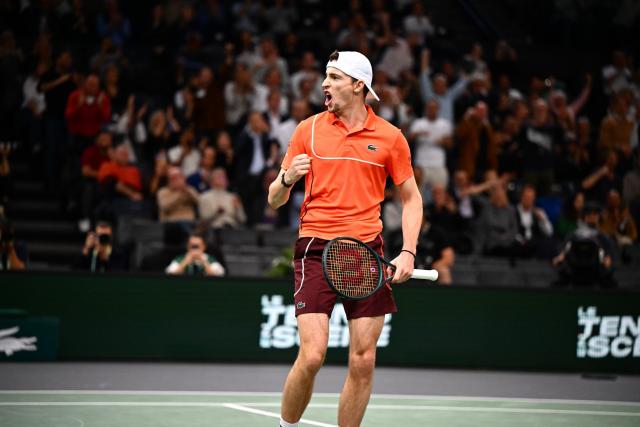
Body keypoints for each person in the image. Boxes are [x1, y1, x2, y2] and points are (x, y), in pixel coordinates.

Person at [267, 50, 422, 427]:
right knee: (313, 354)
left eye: (334, 78)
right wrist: (288, 179)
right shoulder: (309, 129)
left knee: (363, 359)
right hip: (316, 248)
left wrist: (408, 252)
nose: (325, 84)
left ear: (358, 86)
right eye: (326, 76)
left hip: (367, 253)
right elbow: (274, 199)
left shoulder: (390, 138)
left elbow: (412, 198)